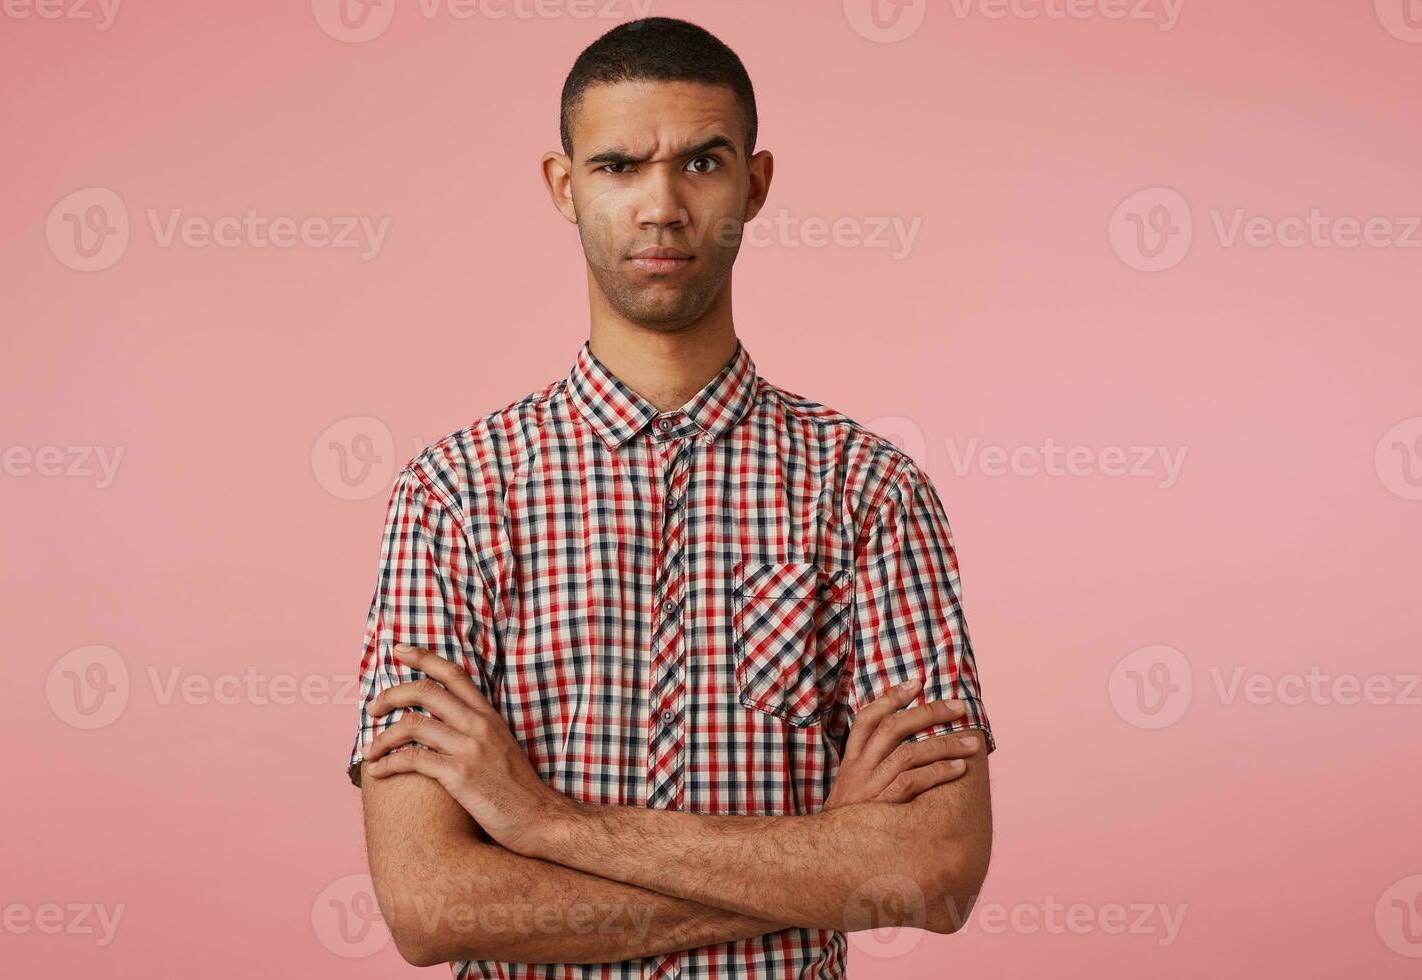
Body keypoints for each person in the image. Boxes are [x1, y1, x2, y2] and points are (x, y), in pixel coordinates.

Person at [346, 16, 995, 976]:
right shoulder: (454, 495)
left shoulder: (871, 491)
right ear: (563, 189)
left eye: (700, 163)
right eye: (617, 167)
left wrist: (542, 823)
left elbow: (935, 871)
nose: (661, 206)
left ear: (756, 184)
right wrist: (820, 849)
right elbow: (430, 903)